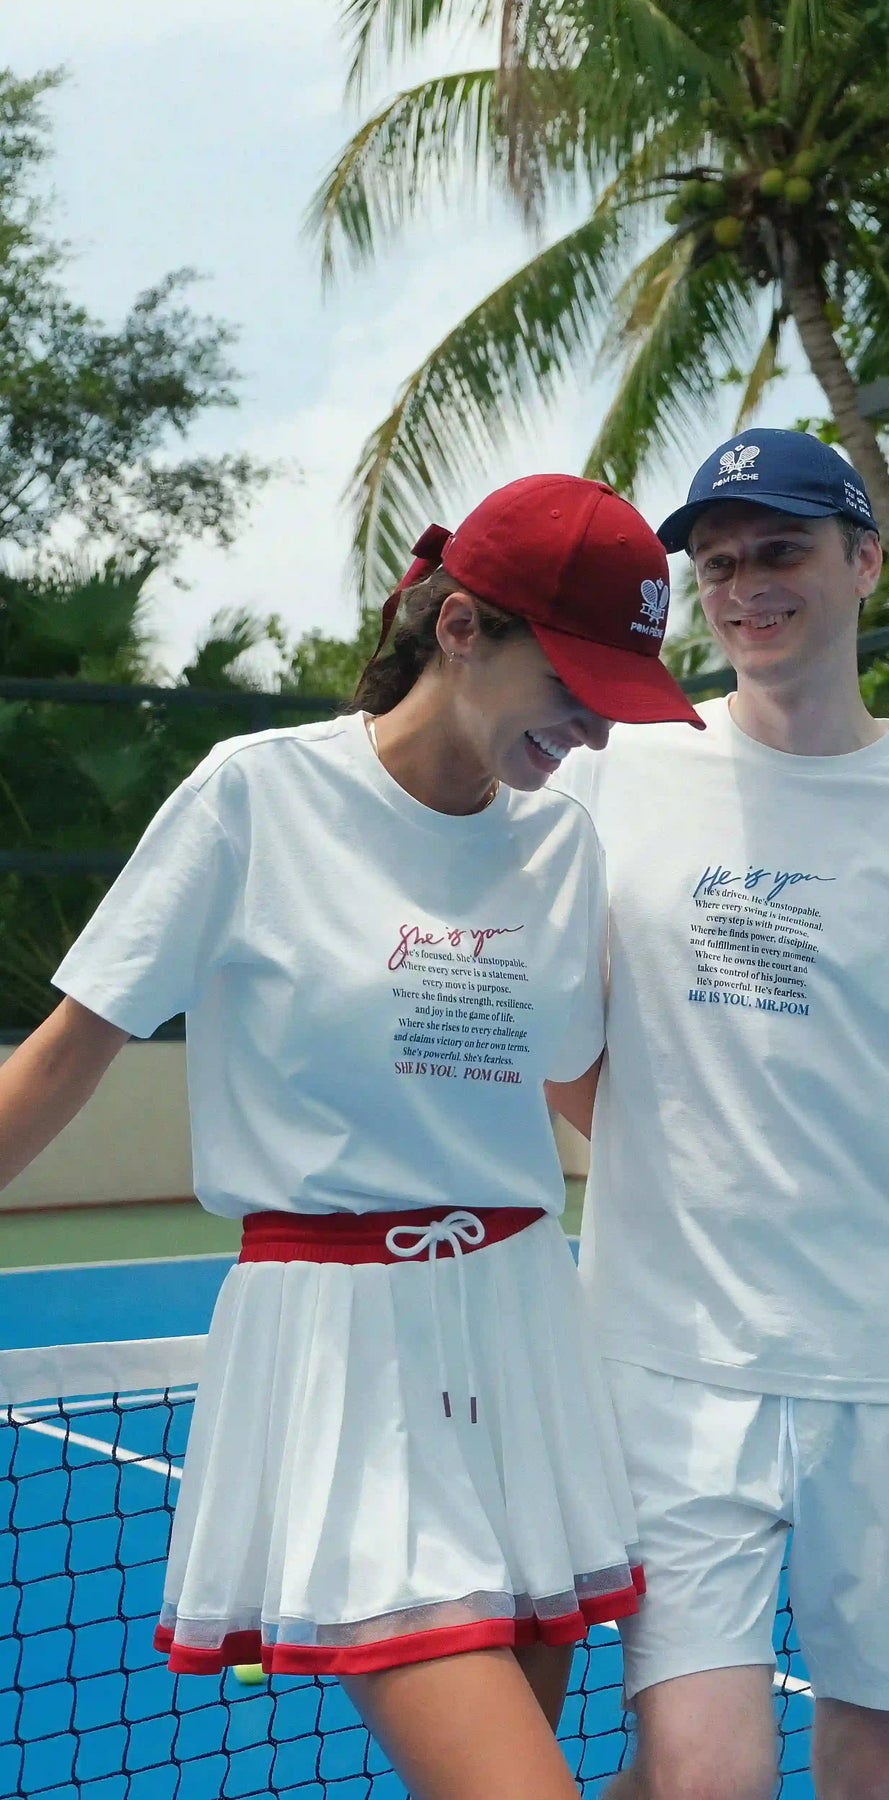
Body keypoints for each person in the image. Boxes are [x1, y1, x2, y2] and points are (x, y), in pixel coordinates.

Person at [0, 474, 703, 1800]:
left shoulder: (561, 849)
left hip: (525, 1342)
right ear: (462, 632)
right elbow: (62, 1060)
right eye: (578, 682)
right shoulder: (251, 799)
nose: (597, 731)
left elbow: (582, 1092)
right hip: (343, 1359)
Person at [549, 430, 889, 1800]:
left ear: (862, 562)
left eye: (779, 551)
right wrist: (684, 1154)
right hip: (665, 1368)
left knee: (879, 1775)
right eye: (716, 565)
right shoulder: (612, 772)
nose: (743, 586)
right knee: (700, 1780)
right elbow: (551, 1025)